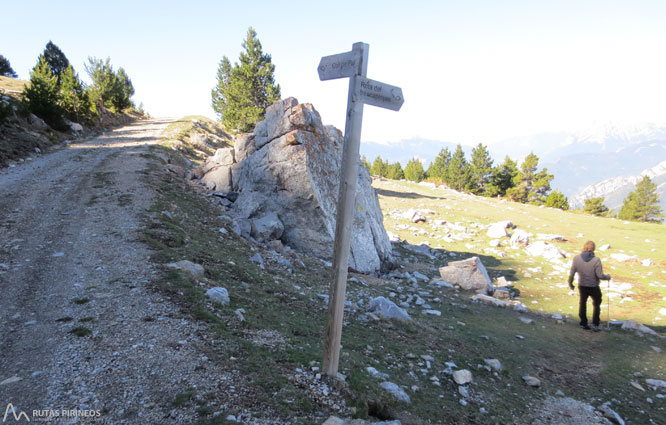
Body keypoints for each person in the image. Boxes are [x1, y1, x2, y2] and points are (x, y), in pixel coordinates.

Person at [568, 240, 611, 331]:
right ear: (593, 249)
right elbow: (600, 275)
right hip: (593, 286)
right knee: (596, 304)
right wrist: (607, 277)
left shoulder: (576, 258)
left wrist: (570, 283)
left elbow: (572, 273)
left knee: (582, 303)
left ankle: (583, 323)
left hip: (582, 285)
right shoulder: (596, 260)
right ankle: (595, 324)